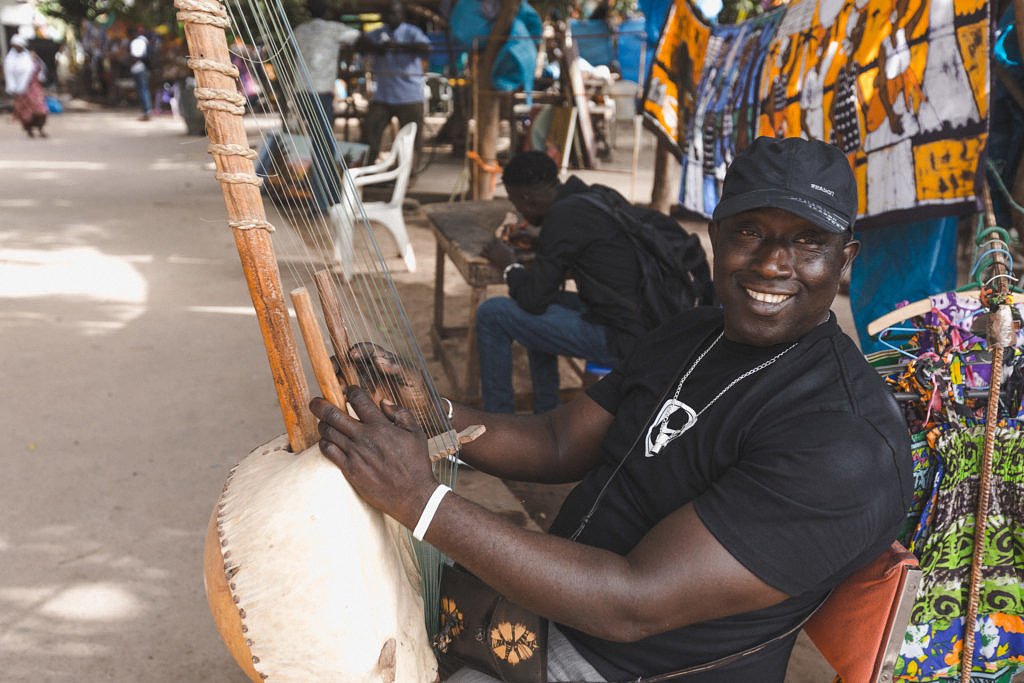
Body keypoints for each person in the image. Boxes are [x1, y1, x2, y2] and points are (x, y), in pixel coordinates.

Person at [310, 136, 913, 681]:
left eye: (808, 241)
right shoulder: (696, 333)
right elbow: (555, 441)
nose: (773, 264)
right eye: (751, 231)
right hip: (552, 614)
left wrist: (418, 499)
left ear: (846, 260)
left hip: (621, 662)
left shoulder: (843, 443)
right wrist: (431, 411)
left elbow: (631, 602)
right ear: (717, 237)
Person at [477, 151, 672, 414]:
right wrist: (543, 243)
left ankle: (496, 420)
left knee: (492, 313)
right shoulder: (591, 196)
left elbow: (534, 300)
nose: (518, 211)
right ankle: (547, 410)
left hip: (623, 340)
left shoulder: (562, 217)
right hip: (647, 321)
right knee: (536, 301)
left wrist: (509, 265)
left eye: (515, 202)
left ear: (526, 198)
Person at [291, 0, 358, 212]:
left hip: (301, 92)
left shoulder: (299, 30)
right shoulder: (335, 29)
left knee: (317, 143)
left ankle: (329, 196)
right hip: (319, 94)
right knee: (322, 145)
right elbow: (360, 40)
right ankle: (322, 201)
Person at [356, 0, 430, 164]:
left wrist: (398, 46)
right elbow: (360, 44)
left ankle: (409, 171)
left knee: (412, 139)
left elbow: (425, 48)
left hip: (409, 96)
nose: (391, 17)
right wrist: (376, 48)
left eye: (395, 13)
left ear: (402, 15)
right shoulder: (378, 33)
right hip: (384, 95)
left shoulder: (412, 32)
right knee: (370, 132)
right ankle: (365, 168)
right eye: (388, 13)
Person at [4, 35, 48, 138]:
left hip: (34, 87)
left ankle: (41, 129)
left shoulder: (30, 57)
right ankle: (29, 130)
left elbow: (40, 70)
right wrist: (12, 89)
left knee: (40, 109)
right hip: (20, 90)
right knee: (25, 112)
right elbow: (10, 76)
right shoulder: (10, 60)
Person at [128, 26, 152, 121]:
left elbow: (136, 56)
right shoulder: (144, 41)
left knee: (142, 90)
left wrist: (128, 63)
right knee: (144, 90)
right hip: (143, 68)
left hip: (138, 69)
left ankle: (146, 112)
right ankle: (146, 111)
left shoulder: (136, 42)